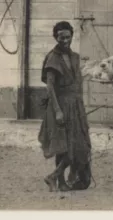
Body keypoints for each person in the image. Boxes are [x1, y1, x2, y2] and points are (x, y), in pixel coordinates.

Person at [38, 21, 92, 192]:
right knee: (63, 146)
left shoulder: (75, 57)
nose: (65, 40)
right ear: (56, 37)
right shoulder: (52, 58)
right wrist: (58, 111)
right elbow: (50, 87)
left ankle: (54, 176)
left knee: (79, 144)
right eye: (61, 37)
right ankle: (59, 181)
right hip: (60, 106)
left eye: (68, 37)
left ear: (72, 36)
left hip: (75, 106)